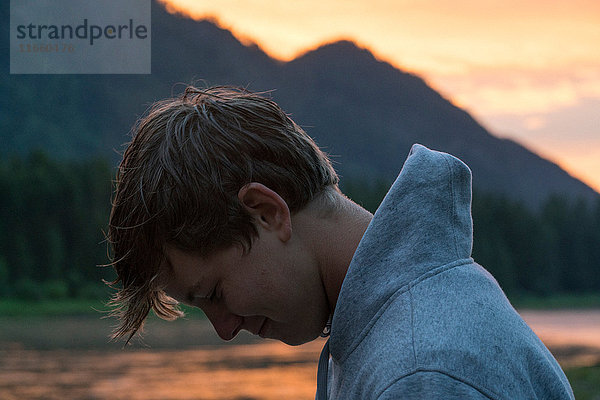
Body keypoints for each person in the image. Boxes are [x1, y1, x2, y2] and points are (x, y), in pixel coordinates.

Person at [107, 86, 575, 399]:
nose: (224, 329)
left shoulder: (419, 373)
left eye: (214, 294)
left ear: (267, 212)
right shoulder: (400, 328)